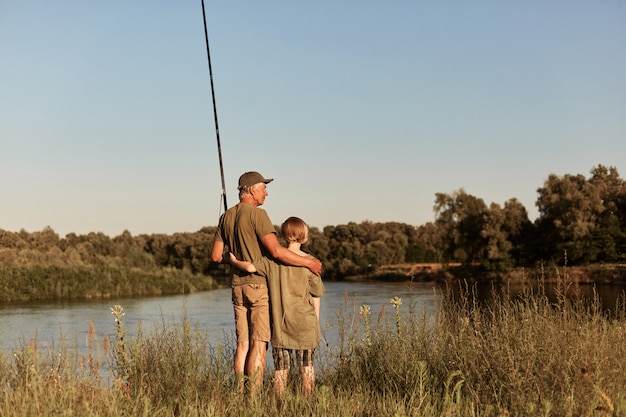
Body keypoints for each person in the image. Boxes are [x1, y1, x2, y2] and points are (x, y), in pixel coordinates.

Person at [210, 171, 322, 395]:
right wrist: (308, 263)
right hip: (258, 286)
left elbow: (215, 256)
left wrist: (233, 260)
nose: (266, 193)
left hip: (237, 287)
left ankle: (239, 394)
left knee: (242, 344)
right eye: (263, 188)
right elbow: (276, 251)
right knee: (259, 344)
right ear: (251, 190)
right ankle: (253, 398)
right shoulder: (258, 215)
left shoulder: (226, 216)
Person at [229, 216, 324, 399]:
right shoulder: (311, 263)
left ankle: (279, 404)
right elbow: (316, 294)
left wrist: (233, 261)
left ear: (282, 235)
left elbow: (249, 268)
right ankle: (309, 403)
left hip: (280, 327)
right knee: (307, 367)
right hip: (306, 325)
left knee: (281, 370)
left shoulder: (271, 261)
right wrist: (316, 323)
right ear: (304, 236)